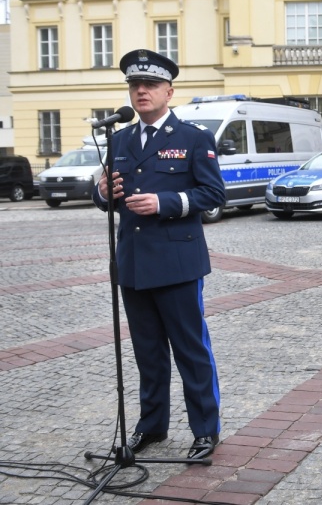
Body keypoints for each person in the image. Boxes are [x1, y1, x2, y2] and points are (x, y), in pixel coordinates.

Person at [93, 49, 226, 460]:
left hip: (177, 264)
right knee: (147, 354)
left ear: (169, 91)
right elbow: (106, 194)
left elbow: (212, 194)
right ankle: (152, 426)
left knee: (190, 350)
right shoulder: (121, 139)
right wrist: (100, 194)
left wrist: (166, 202)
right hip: (133, 264)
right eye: (135, 85)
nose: (141, 91)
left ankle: (205, 430)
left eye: (149, 85)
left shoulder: (192, 138)